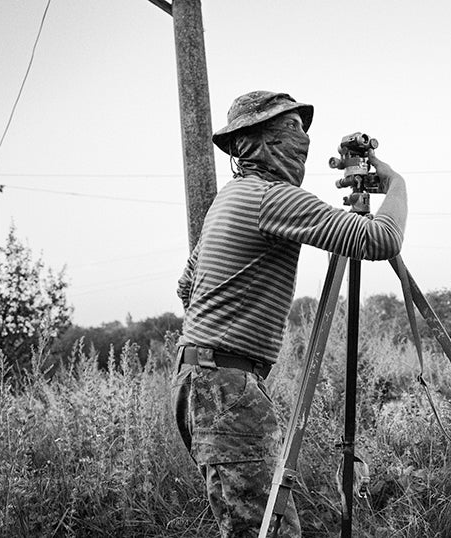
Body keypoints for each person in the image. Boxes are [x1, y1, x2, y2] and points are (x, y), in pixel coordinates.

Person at [172, 90, 407, 537]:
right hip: (223, 386)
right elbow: (381, 239)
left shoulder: (230, 198)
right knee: (270, 530)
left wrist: (225, 330)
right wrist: (396, 183)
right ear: (256, 143)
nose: (304, 143)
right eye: (292, 130)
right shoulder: (271, 197)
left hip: (199, 380)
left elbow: (186, 286)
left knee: (250, 526)